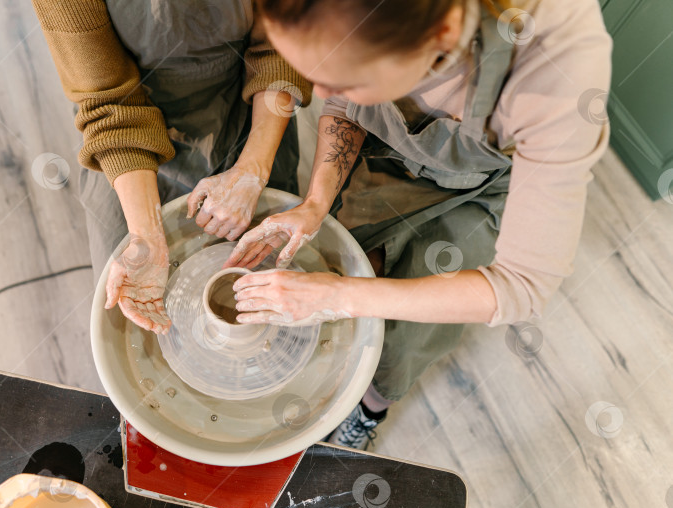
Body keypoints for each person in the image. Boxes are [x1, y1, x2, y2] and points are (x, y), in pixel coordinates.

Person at [228, 0, 612, 449]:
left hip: (488, 187)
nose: (312, 91)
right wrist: (315, 203)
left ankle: (370, 411)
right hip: (394, 148)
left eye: (345, 77)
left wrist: (337, 297)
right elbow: (344, 103)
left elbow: (521, 287)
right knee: (346, 261)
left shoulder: (557, 78)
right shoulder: (362, 32)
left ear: (444, 36)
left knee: (404, 336)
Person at [31, 0, 312, 334]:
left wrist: (253, 169)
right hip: (122, 130)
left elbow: (280, 49)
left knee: (279, 267)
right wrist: (145, 237)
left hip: (250, 102)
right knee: (127, 314)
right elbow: (108, 100)